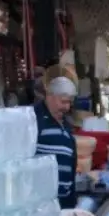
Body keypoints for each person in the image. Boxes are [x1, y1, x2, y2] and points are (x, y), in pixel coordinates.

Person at [34, 76, 77, 209]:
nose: (66, 107)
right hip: (42, 204)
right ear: (50, 96)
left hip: (63, 204)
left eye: (69, 103)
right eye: (63, 102)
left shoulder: (65, 123)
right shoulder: (34, 119)